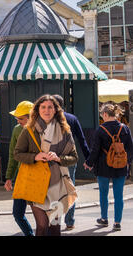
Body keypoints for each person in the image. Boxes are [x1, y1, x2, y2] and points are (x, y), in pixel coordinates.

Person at [14, 94, 78, 236]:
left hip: (57, 185)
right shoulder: (29, 130)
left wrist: (59, 158)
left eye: (50, 107)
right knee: (42, 226)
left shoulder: (64, 131)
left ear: (56, 110)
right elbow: (17, 154)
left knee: (55, 227)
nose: (47, 110)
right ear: (38, 109)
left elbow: (74, 157)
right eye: (43, 107)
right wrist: (35, 156)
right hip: (36, 184)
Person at [84, 103, 133, 231]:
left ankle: (104, 219)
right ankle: (117, 223)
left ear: (105, 114)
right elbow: (130, 148)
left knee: (103, 193)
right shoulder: (125, 128)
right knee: (118, 195)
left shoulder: (100, 129)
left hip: (103, 166)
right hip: (120, 165)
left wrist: (88, 163)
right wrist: (127, 161)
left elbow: (95, 150)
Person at [52, 94, 91, 230]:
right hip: (69, 160)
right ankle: (70, 222)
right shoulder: (72, 118)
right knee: (70, 189)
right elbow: (82, 140)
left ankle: (55, 222)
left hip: (53, 160)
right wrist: (88, 159)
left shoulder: (49, 119)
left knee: (54, 190)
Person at [4, 100, 34, 236]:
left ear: (30, 116)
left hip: (38, 178)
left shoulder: (42, 130)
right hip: (22, 177)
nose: (18, 121)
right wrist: (9, 177)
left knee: (42, 214)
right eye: (17, 118)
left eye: (21, 118)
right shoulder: (17, 130)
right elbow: (12, 154)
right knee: (17, 214)